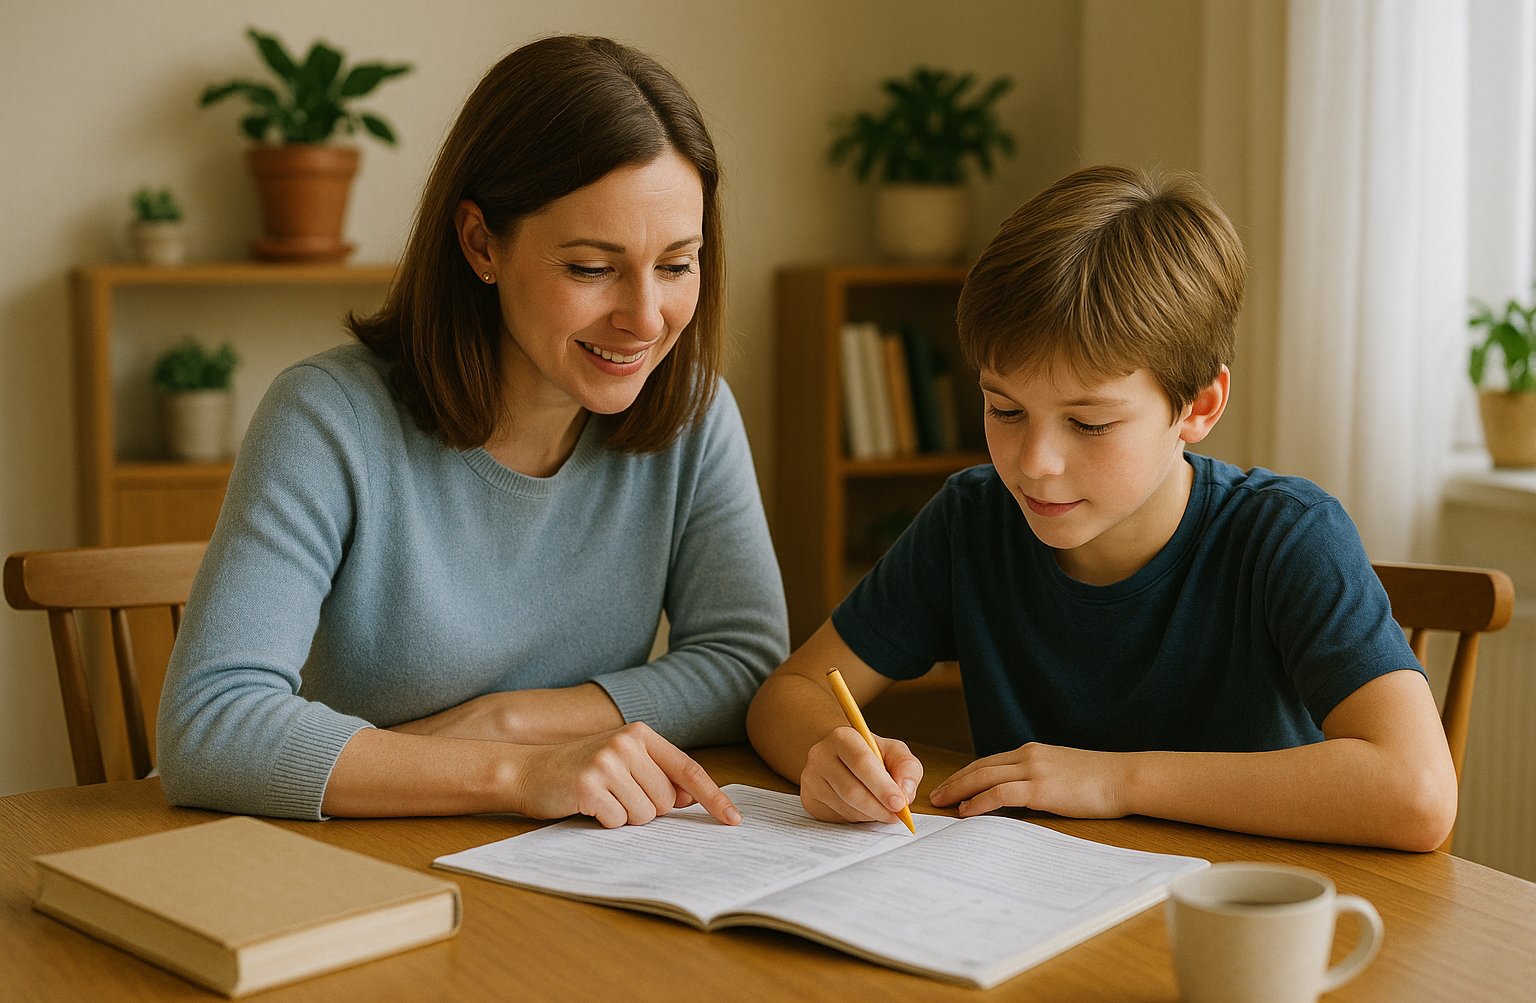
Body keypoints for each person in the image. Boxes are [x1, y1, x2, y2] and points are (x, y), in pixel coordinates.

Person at [158, 36, 788, 828]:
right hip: (364, 865)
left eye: (676, 264)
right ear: (481, 242)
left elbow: (743, 664)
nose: (645, 318)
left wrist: (512, 720)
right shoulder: (326, 417)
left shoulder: (695, 412)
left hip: (568, 869)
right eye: (592, 268)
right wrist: (518, 774)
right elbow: (211, 727)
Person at [746, 165, 1459, 852]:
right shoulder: (972, 521)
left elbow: (1418, 791)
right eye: (1004, 408)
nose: (1035, 463)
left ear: (1198, 406)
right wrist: (830, 755)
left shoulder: (1288, 536)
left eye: (1089, 424)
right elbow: (790, 695)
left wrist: (1120, 779)